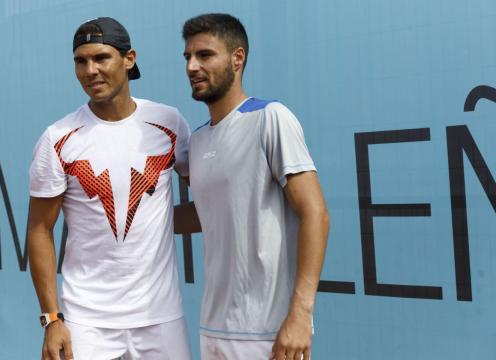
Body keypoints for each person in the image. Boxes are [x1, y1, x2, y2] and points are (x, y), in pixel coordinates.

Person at [28, 17, 192, 360]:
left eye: (101, 58)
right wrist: (52, 319)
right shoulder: (58, 138)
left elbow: (211, 199)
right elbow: (39, 230)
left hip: (160, 317)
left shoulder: (169, 123)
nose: (90, 71)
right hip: (86, 321)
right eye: (80, 61)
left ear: (128, 59)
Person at [176, 13, 330, 360]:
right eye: (187, 57)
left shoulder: (270, 118)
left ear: (237, 58)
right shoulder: (197, 141)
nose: (192, 66)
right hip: (213, 330)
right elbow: (210, 214)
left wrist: (301, 315)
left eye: (205, 55)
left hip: (271, 334)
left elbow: (315, 214)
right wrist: (134, 220)